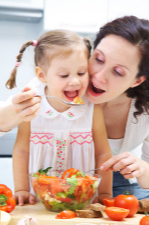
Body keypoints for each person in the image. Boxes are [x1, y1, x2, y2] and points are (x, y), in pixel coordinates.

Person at [6, 30, 112, 205]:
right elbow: (21, 151)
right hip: (40, 200)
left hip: (83, 200)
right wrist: (21, 190)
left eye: (81, 73)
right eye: (64, 75)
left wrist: (105, 192)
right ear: (42, 75)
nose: (75, 81)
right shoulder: (32, 105)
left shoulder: (92, 107)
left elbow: (103, 153)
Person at [85, 15, 149, 199]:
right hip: (60, 184)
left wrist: (143, 168)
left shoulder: (145, 111)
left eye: (118, 72)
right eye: (98, 59)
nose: (99, 76)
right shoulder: (63, 81)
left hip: (119, 187)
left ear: (137, 80)